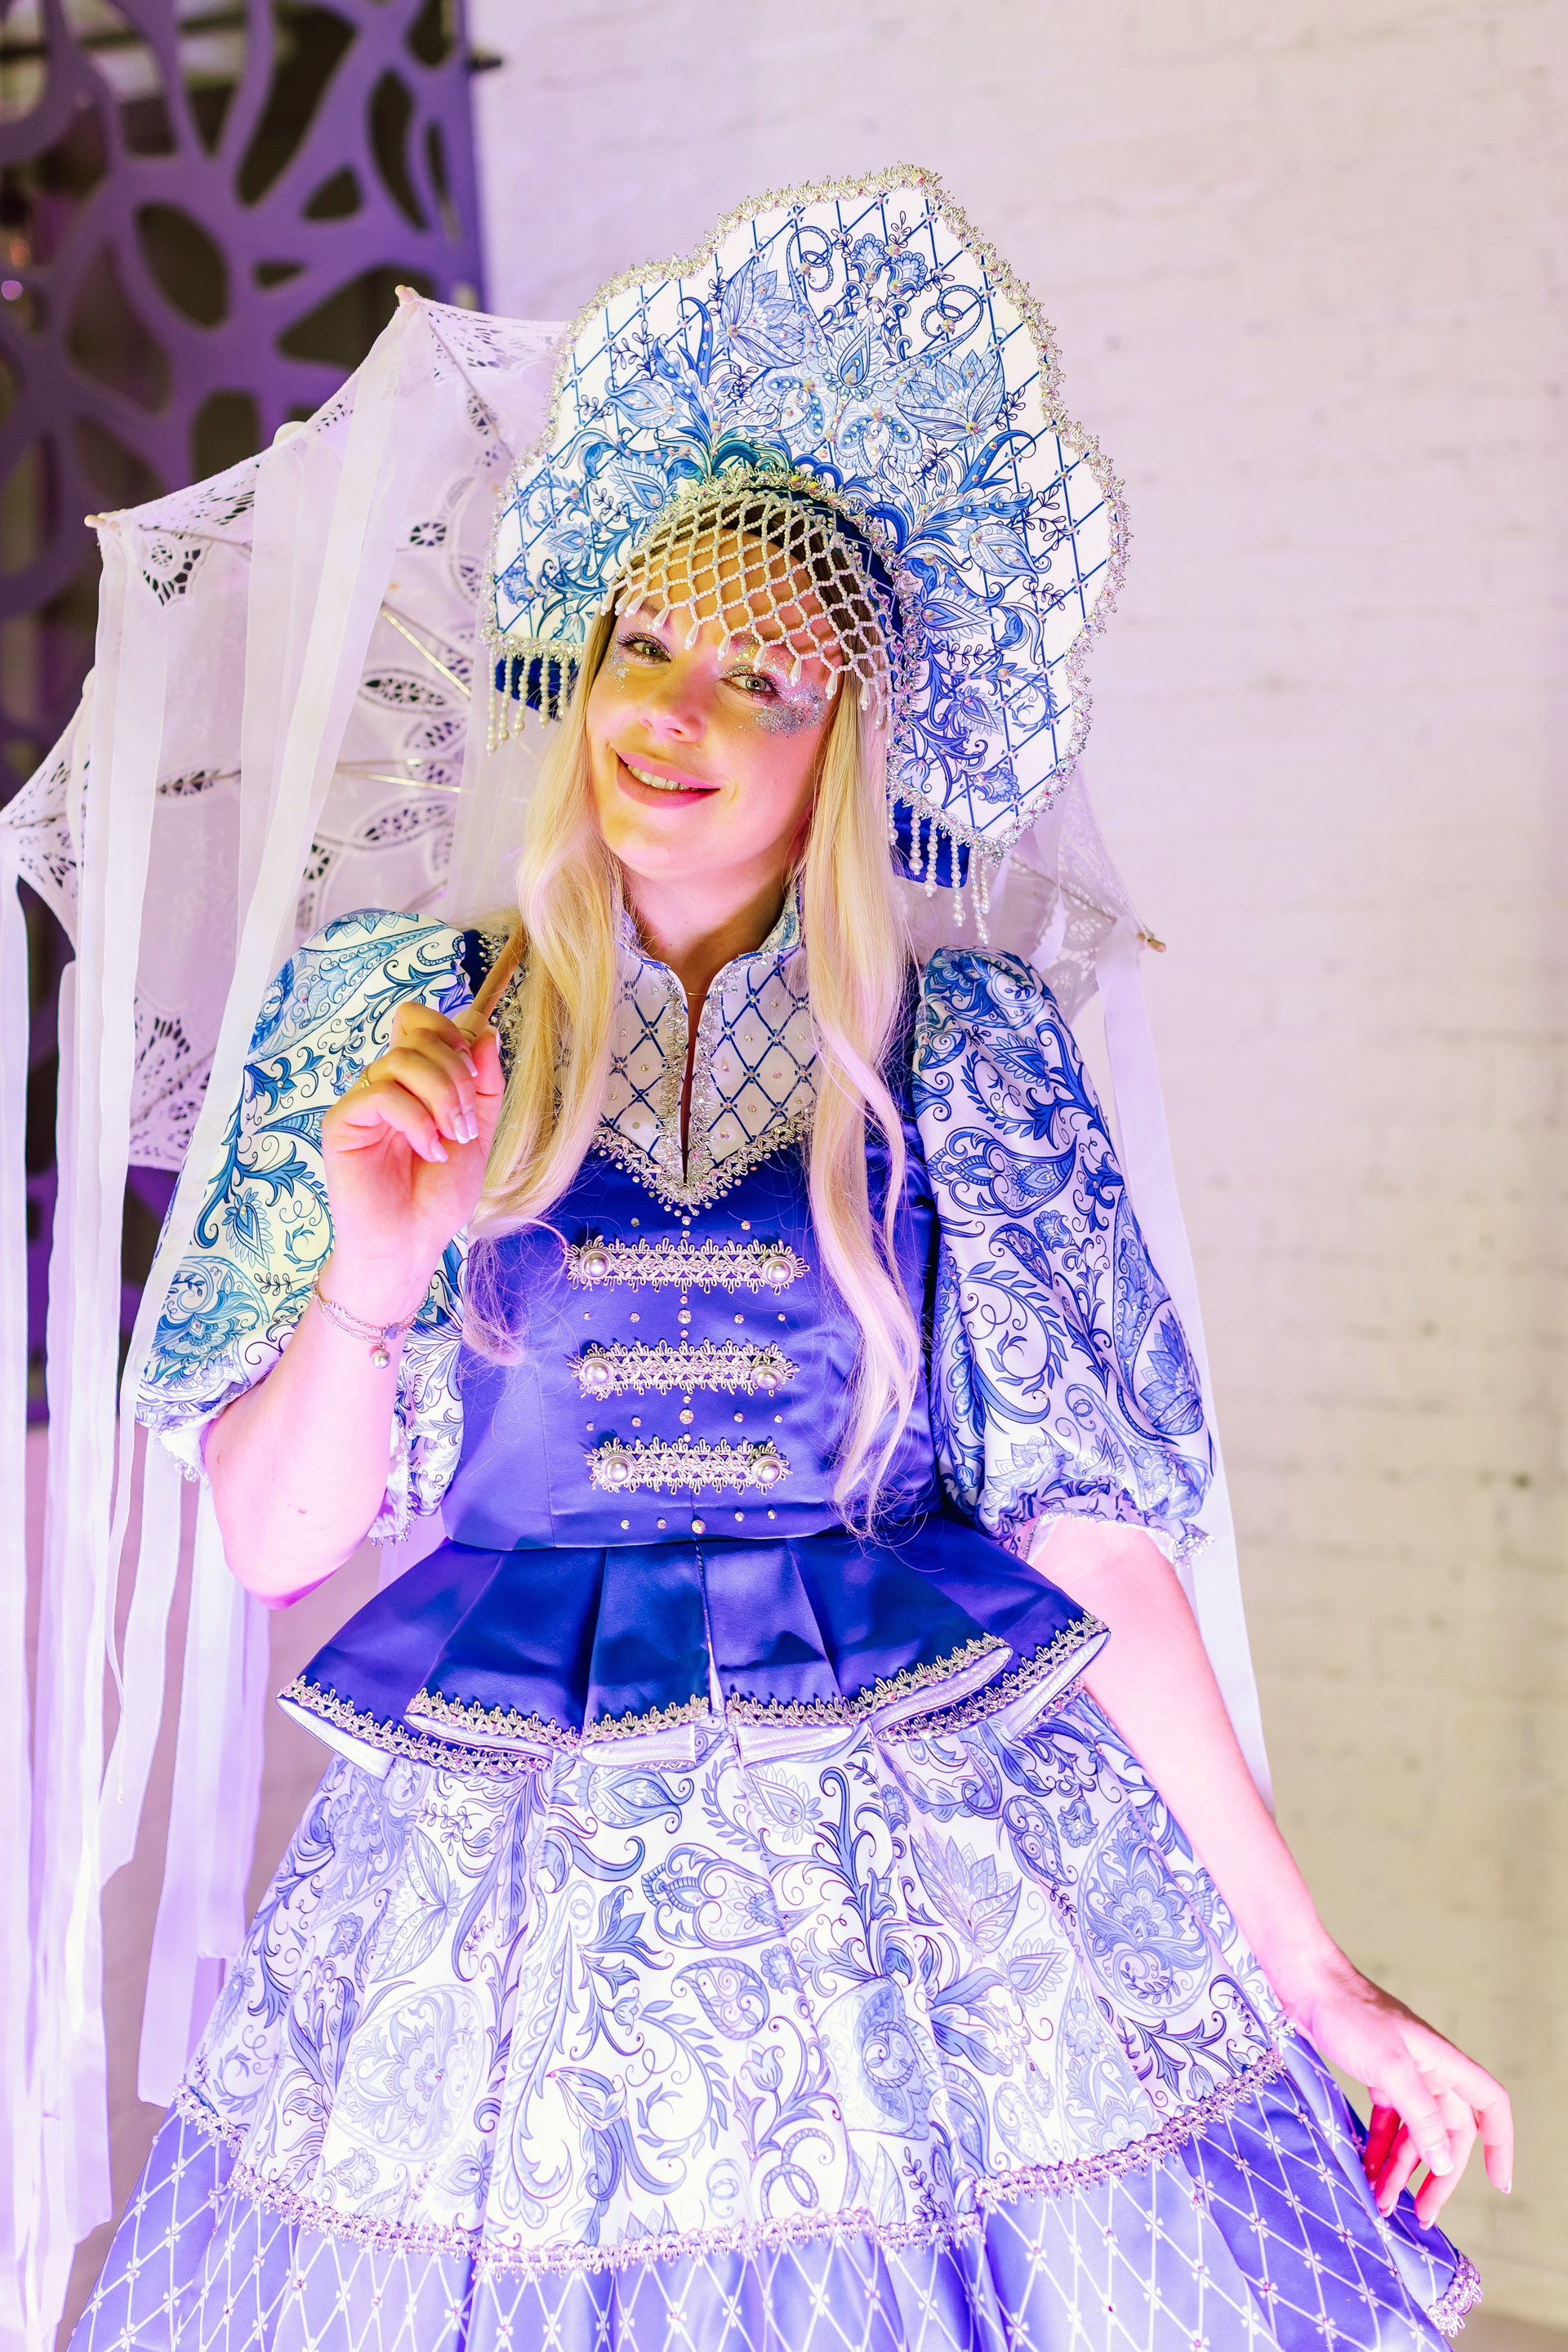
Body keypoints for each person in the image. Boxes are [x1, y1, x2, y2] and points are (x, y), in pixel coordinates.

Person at [74, 172, 1507, 2351]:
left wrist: (1315, 1977)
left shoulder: (964, 1062)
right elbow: (275, 1545)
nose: (671, 708)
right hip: (511, 1936)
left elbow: (1095, 1550)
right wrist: (371, 1268)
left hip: (928, 1919)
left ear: (846, 742)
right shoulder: (403, 1028)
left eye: (757, 673)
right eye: (643, 643)